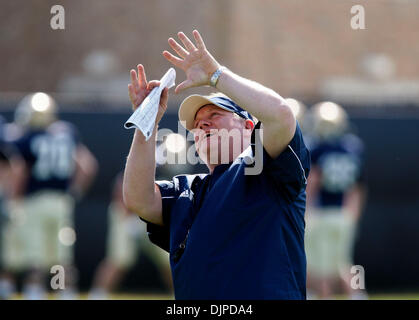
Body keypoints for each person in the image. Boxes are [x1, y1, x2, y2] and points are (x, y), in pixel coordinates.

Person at [123, 30, 310, 299]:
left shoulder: (263, 169)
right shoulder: (188, 189)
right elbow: (137, 198)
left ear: (248, 127)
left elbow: (280, 116)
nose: (203, 124)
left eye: (214, 114)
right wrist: (145, 124)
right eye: (197, 123)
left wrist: (216, 75)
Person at [7, 92, 98, 299]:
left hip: (34, 200)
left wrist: (14, 198)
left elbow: (20, 172)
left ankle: (35, 291)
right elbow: (87, 166)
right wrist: (73, 192)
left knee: (35, 253)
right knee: (61, 254)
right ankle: (63, 291)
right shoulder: (66, 133)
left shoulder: (28, 137)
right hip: (61, 201)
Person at [304, 101, 367, 299]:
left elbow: (312, 182)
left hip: (322, 213)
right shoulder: (352, 148)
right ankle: (358, 294)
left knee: (319, 267)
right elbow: (357, 188)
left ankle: (325, 295)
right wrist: (353, 215)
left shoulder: (317, 149)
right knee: (344, 262)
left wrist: (305, 210)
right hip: (344, 214)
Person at [89, 172, 172, 299]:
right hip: (126, 211)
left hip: (150, 215)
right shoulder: (145, 156)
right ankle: (98, 295)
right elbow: (121, 185)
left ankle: (179, 294)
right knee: (119, 259)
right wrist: (129, 216)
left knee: (168, 259)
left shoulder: (168, 163)